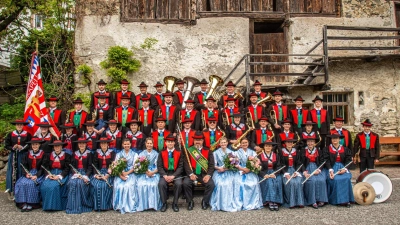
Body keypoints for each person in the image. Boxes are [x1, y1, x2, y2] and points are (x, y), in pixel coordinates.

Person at [182, 132, 215, 210]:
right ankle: (190, 201)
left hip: (203, 174)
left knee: (211, 185)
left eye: (199, 140)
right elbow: (186, 164)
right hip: (193, 173)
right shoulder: (189, 150)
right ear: (193, 140)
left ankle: (205, 201)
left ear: (203, 140)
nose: (197, 141)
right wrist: (190, 174)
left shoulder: (208, 150)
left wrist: (208, 175)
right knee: (186, 183)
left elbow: (211, 165)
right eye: (196, 140)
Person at [210, 137, 241, 212]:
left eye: (224, 142)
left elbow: (235, 164)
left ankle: (229, 203)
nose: (223, 144)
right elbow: (214, 164)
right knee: (220, 184)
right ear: (219, 144)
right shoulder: (215, 153)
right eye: (221, 142)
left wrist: (227, 168)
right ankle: (220, 203)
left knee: (231, 183)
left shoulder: (232, 152)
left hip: (229, 171)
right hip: (219, 171)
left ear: (227, 143)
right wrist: (219, 168)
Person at [14, 137, 45, 212]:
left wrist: (36, 175)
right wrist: (26, 174)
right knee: (22, 183)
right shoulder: (27, 153)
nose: (35, 146)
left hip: (39, 173)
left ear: (39, 145)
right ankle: (24, 203)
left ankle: (31, 203)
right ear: (31, 145)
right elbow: (23, 166)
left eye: (36, 144)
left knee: (31, 184)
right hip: (29, 172)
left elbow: (43, 167)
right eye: (33, 145)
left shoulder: (43, 154)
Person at [324, 133, 354, 207]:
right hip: (332, 168)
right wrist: (330, 170)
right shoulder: (327, 149)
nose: (334, 140)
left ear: (339, 139)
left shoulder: (345, 149)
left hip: (342, 167)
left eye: (336, 138)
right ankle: (337, 200)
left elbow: (348, 160)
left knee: (346, 178)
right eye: (333, 138)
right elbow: (326, 160)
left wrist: (344, 169)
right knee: (336, 179)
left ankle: (346, 200)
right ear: (331, 140)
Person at [40, 140, 71, 211]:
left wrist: (59, 176)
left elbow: (67, 168)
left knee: (53, 186)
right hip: (51, 173)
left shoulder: (67, 156)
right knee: (44, 186)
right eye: (55, 146)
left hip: (61, 174)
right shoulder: (48, 155)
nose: (57, 147)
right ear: (53, 147)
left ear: (61, 147)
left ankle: (54, 206)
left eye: (58, 146)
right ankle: (46, 205)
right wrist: (48, 175)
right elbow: (46, 167)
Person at [4, 119, 32, 196]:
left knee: (22, 170)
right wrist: (13, 147)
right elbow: (6, 145)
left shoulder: (27, 134)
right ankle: (12, 189)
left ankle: (22, 189)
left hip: (23, 155)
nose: (19, 126)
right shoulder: (10, 134)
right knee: (12, 171)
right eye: (18, 125)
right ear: (15, 125)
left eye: (21, 125)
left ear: (23, 126)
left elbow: (30, 145)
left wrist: (22, 147)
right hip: (13, 155)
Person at [157, 134, 184, 212]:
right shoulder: (161, 152)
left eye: (171, 142)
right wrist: (165, 175)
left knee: (179, 184)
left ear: (174, 143)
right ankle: (164, 203)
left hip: (176, 174)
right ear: (165, 143)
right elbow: (159, 166)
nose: (170, 143)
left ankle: (175, 203)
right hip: (165, 173)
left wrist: (174, 175)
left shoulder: (179, 152)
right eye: (168, 142)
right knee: (161, 184)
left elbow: (180, 167)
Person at [66, 138, 93, 214]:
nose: (81, 145)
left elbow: (90, 167)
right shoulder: (74, 153)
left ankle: (82, 205)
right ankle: (73, 206)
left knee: (81, 183)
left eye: (83, 143)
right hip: (75, 173)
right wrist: (76, 173)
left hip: (85, 173)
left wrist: (86, 176)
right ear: (78, 145)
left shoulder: (89, 153)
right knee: (72, 183)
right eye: (80, 143)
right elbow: (72, 166)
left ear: (85, 144)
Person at [235, 138, 263, 210]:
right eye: (243, 143)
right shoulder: (237, 152)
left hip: (250, 171)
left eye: (246, 142)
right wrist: (243, 169)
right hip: (241, 170)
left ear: (248, 143)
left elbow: (257, 161)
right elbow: (236, 164)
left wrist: (249, 169)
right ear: (240, 144)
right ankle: (242, 203)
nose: (244, 144)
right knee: (240, 183)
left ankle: (252, 203)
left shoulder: (252, 152)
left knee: (253, 183)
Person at [112, 139, 139, 214]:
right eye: (125, 144)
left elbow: (135, 166)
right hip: (121, 174)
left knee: (128, 186)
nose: (126, 146)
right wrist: (121, 175)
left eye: (128, 144)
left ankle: (129, 205)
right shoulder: (119, 154)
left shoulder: (135, 154)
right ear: (122, 145)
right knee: (119, 186)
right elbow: (116, 166)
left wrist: (127, 173)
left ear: (130, 144)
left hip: (130, 173)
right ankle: (119, 206)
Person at [136, 138, 162, 211]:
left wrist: (152, 172)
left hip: (154, 172)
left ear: (153, 144)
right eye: (148, 143)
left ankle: (153, 205)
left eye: (151, 143)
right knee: (141, 184)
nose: (149, 145)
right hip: (144, 172)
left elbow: (159, 166)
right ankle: (143, 205)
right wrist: (146, 171)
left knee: (153, 185)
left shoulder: (156, 154)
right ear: (145, 144)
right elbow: (139, 165)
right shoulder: (141, 154)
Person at [302, 137, 328, 209]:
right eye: (309, 142)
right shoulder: (303, 151)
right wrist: (304, 172)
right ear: (306, 142)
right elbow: (300, 163)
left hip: (317, 168)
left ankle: (321, 199)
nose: (310, 143)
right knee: (312, 181)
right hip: (307, 169)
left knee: (321, 180)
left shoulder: (319, 151)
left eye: (312, 142)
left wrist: (319, 169)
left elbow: (322, 161)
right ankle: (312, 201)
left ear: (314, 143)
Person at [258, 140, 283, 211]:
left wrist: (275, 173)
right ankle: (270, 201)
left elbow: (278, 166)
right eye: (266, 146)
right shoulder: (259, 156)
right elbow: (258, 168)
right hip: (265, 173)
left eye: (269, 146)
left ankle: (276, 201)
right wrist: (264, 175)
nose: (268, 147)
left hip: (274, 173)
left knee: (278, 181)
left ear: (272, 147)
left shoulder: (276, 155)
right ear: (264, 147)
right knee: (269, 182)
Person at [91, 137, 115, 211]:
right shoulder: (96, 153)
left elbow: (113, 165)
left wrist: (108, 174)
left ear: (108, 144)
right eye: (102, 143)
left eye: (105, 143)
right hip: (99, 172)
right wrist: (96, 175)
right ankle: (97, 206)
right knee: (96, 185)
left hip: (109, 173)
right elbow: (94, 165)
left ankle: (105, 206)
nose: (103, 144)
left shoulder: (112, 153)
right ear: (100, 145)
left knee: (105, 185)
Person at [281, 139, 304, 208]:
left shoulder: (296, 152)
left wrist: (297, 172)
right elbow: (281, 164)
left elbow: (299, 163)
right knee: (290, 182)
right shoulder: (281, 152)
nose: (289, 143)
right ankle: (291, 202)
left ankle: (299, 202)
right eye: (288, 142)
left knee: (298, 181)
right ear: (285, 143)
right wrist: (285, 173)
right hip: (286, 171)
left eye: (291, 142)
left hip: (294, 170)